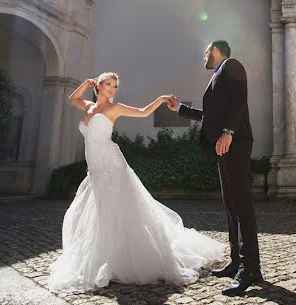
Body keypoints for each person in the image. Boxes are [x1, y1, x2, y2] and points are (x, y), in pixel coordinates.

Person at [47, 72, 225, 291]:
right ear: (99, 86)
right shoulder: (89, 106)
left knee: (116, 209)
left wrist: (160, 100)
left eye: (115, 86)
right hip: (95, 167)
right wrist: (84, 83)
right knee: (101, 210)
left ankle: (117, 260)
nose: (112, 89)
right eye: (108, 85)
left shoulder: (115, 108)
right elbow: (72, 99)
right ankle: (106, 257)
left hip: (111, 163)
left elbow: (142, 112)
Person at [167, 40, 262, 296]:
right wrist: (180, 110)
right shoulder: (218, 75)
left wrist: (229, 132)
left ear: (216, 51)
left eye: (206, 52)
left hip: (235, 143)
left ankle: (251, 268)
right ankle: (236, 261)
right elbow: (211, 115)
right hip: (223, 146)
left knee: (241, 204)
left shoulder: (232, 66)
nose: (204, 57)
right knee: (230, 204)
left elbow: (240, 103)